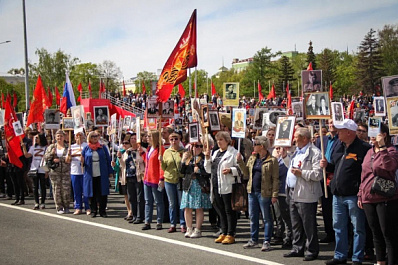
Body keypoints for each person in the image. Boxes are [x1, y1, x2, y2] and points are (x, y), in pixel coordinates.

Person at [321, 119, 371, 265]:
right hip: (337, 194)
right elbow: (335, 167)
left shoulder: (364, 148)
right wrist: (326, 165)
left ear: (349, 132)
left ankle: (357, 257)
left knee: (358, 228)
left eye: (341, 130)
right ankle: (340, 255)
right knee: (338, 226)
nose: (338, 132)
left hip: (354, 195)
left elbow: (367, 172)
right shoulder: (339, 146)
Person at [358, 124, 398, 265]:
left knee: (388, 233)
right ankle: (380, 261)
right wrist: (360, 194)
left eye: (376, 132)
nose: (372, 135)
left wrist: (382, 149)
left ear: (384, 135)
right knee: (375, 233)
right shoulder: (369, 152)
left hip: (385, 197)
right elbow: (364, 174)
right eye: (371, 132)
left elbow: (389, 167)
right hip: (368, 197)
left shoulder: (391, 151)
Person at [283, 128, 322, 261]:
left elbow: (318, 174)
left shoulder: (315, 153)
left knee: (308, 223)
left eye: (296, 137)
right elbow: (291, 168)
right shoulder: (296, 151)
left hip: (306, 192)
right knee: (296, 223)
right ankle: (297, 247)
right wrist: (284, 157)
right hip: (293, 191)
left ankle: (311, 249)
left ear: (304, 138)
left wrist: (302, 173)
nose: (294, 139)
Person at [204, 131, 245, 244]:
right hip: (216, 184)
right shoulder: (215, 153)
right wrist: (207, 159)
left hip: (228, 186)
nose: (219, 142)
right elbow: (208, 170)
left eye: (221, 140)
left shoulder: (234, 153)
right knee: (220, 210)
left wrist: (231, 170)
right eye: (218, 140)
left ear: (227, 141)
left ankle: (231, 233)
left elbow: (241, 170)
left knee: (229, 210)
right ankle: (224, 231)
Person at [239, 136, 279, 251]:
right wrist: (240, 162)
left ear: (261, 146)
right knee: (253, 216)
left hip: (264, 192)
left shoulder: (272, 160)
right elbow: (246, 172)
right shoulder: (253, 158)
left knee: (266, 217)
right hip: (252, 191)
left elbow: (275, 179)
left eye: (255, 144)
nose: (253, 146)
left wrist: (274, 194)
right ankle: (254, 239)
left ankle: (267, 240)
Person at [315, 119, 342, 244]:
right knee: (326, 206)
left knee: (335, 207)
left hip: (335, 174)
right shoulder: (322, 139)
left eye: (333, 123)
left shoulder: (341, 140)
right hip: (323, 176)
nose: (331, 125)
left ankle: (338, 234)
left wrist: (329, 165)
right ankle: (329, 232)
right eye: (330, 123)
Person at [180, 141, 212, 238]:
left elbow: (208, 172)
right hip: (188, 184)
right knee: (187, 207)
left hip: (199, 184)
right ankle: (189, 228)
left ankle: (198, 229)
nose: (196, 148)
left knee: (198, 208)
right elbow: (181, 171)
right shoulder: (188, 157)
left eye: (199, 146)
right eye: (194, 146)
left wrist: (199, 171)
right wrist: (183, 161)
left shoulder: (204, 158)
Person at [81, 131, 113, 218]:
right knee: (92, 192)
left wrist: (110, 171)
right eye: (93, 136)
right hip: (90, 173)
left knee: (102, 192)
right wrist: (82, 161)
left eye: (96, 136)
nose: (95, 138)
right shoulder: (86, 148)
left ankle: (102, 211)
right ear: (89, 138)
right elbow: (82, 161)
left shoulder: (102, 148)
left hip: (101, 172)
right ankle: (93, 210)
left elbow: (108, 159)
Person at [161, 133, 186, 233]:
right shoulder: (167, 152)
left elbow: (186, 166)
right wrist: (161, 161)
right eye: (171, 139)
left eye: (176, 139)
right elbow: (164, 167)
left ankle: (182, 223)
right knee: (172, 203)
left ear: (179, 140)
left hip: (180, 180)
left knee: (181, 203)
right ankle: (172, 224)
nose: (174, 141)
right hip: (169, 180)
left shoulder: (184, 151)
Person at [119, 133, 146, 224]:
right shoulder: (127, 151)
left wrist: (140, 152)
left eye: (135, 138)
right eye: (132, 138)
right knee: (131, 197)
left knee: (139, 197)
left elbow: (142, 161)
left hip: (138, 176)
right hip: (129, 176)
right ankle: (134, 215)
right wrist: (119, 158)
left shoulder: (142, 150)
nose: (133, 140)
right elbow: (123, 165)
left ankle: (140, 216)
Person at [44, 130, 71, 214]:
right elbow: (45, 158)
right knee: (56, 190)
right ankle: (59, 207)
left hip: (66, 172)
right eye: (58, 136)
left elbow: (69, 159)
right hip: (54, 172)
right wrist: (52, 154)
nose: (59, 138)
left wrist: (61, 159)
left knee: (66, 189)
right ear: (55, 137)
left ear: (64, 137)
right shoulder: (52, 147)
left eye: (61, 136)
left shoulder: (68, 147)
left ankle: (66, 206)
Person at [142, 131, 165, 230]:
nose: (147, 138)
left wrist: (161, 178)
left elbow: (161, 165)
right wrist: (142, 153)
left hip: (155, 179)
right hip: (147, 178)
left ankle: (159, 221)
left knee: (158, 201)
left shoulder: (160, 149)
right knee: (148, 201)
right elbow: (147, 162)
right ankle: (147, 221)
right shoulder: (149, 149)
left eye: (149, 136)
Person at [22, 133, 48, 210]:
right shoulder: (33, 147)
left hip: (43, 168)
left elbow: (46, 160)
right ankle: (36, 202)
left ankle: (43, 202)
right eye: (35, 138)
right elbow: (27, 155)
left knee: (43, 186)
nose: (36, 139)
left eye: (37, 138)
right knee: (35, 186)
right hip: (34, 169)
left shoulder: (46, 148)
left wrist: (47, 171)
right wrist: (24, 147)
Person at [70, 132, 89, 215]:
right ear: (75, 138)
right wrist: (68, 155)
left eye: (80, 136)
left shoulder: (86, 146)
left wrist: (83, 160)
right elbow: (67, 160)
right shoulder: (71, 147)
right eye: (77, 136)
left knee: (86, 191)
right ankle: (78, 207)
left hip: (84, 171)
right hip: (74, 171)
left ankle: (88, 207)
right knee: (76, 191)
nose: (79, 137)